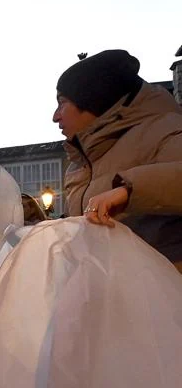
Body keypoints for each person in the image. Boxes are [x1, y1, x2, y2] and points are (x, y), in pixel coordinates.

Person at [54, 49, 182, 271]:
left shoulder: (165, 128)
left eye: (62, 103)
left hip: (163, 290)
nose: (55, 116)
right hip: (108, 293)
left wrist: (129, 190)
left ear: (94, 100)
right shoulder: (79, 164)